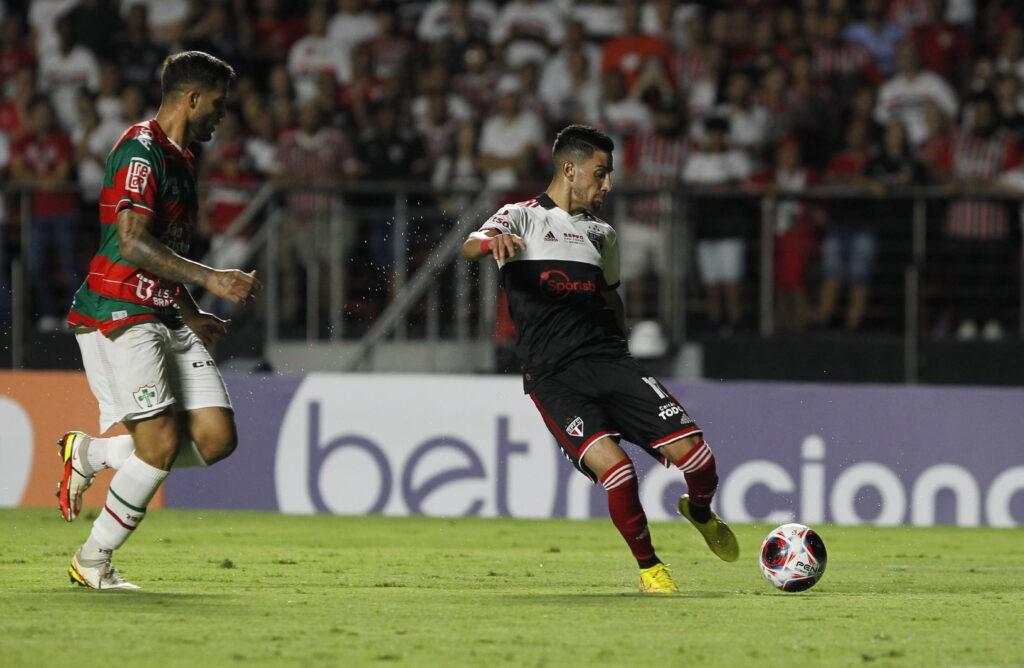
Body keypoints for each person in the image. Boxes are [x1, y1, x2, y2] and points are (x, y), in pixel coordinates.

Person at [462, 125, 738, 594]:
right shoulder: (520, 216)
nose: (607, 184)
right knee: (619, 472)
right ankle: (651, 570)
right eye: (600, 173)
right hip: (554, 376)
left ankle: (699, 511)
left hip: (610, 362)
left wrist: (624, 350)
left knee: (698, 458)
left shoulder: (601, 234)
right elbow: (471, 244)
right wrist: (493, 244)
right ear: (569, 170)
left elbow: (610, 298)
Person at [56, 51, 261, 590]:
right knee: (160, 445)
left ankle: (92, 453)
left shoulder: (184, 158)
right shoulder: (139, 151)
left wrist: (191, 311)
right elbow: (131, 242)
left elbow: (165, 248)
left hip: (164, 311)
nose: (222, 115)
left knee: (216, 438)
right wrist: (213, 278)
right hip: (120, 309)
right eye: (217, 104)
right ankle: (92, 559)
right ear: (191, 99)